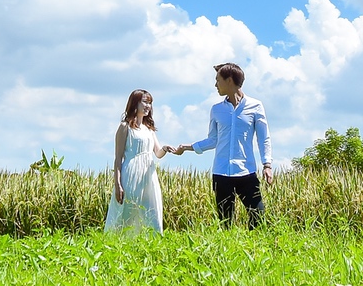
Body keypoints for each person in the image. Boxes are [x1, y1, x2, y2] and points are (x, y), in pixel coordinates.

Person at [177, 62, 271, 228]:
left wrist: (267, 164)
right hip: (221, 173)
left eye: (217, 80)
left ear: (229, 80)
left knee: (258, 217)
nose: (215, 85)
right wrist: (187, 147)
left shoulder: (256, 106)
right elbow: (213, 140)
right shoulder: (216, 109)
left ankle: (253, 244)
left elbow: (263, 138)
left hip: (246, 172)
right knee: (225, 222)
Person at [105, 89, 185, 234]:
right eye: (145, 102)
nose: (148, 106)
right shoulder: (125, 127)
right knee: (127, 211)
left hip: (148, 174)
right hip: (130, 173)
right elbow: (118, 158)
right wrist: (118, 184)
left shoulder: (149, 129)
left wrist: (165, 148)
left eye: (150, 103)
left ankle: (154, 240)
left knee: (151, 209)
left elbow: (158, 153)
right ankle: (119, 241)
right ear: (135, 103)